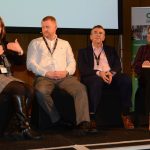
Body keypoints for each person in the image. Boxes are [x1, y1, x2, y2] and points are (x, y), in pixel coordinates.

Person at [26, 16, 93, 133]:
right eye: (43, 27)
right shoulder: (35, 43)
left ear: (55, 27)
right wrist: (46, 72)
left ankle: (83, 123)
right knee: (40, 92)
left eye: (47, 27)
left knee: (81, 88)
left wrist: (66, 72)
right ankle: (57, 119)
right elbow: (30, 63)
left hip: (64, 77)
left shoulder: (65, 43)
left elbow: (72, 62)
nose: (44, 29)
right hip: (44, 77)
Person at [78, 25, 134, 130]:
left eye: (100, 33)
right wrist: (99, 73)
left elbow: (118, 65)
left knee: (126, 79)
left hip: (110, 75)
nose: (98, 35)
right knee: (96, 82)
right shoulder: (83, 51)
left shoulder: (111, 50)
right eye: (95, 32)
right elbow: (83, 69)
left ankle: (125, 114)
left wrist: (111, 73)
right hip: (93, 76)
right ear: (90, 37)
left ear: (104, 37)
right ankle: (93, 117)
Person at [0, 17, 40, 140]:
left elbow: (20, 63)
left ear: (2, 29)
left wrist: (20, 51)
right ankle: (25, 128)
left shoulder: (6, 44)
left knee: (30, 89)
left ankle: (14, 128)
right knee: (18, 88)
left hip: (7, 78)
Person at [133, 26, 150, 128]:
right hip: (144, 79)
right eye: (148, 33)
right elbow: (135, 66)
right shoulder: (142, 49)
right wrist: (144, 64)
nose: (149, 35)